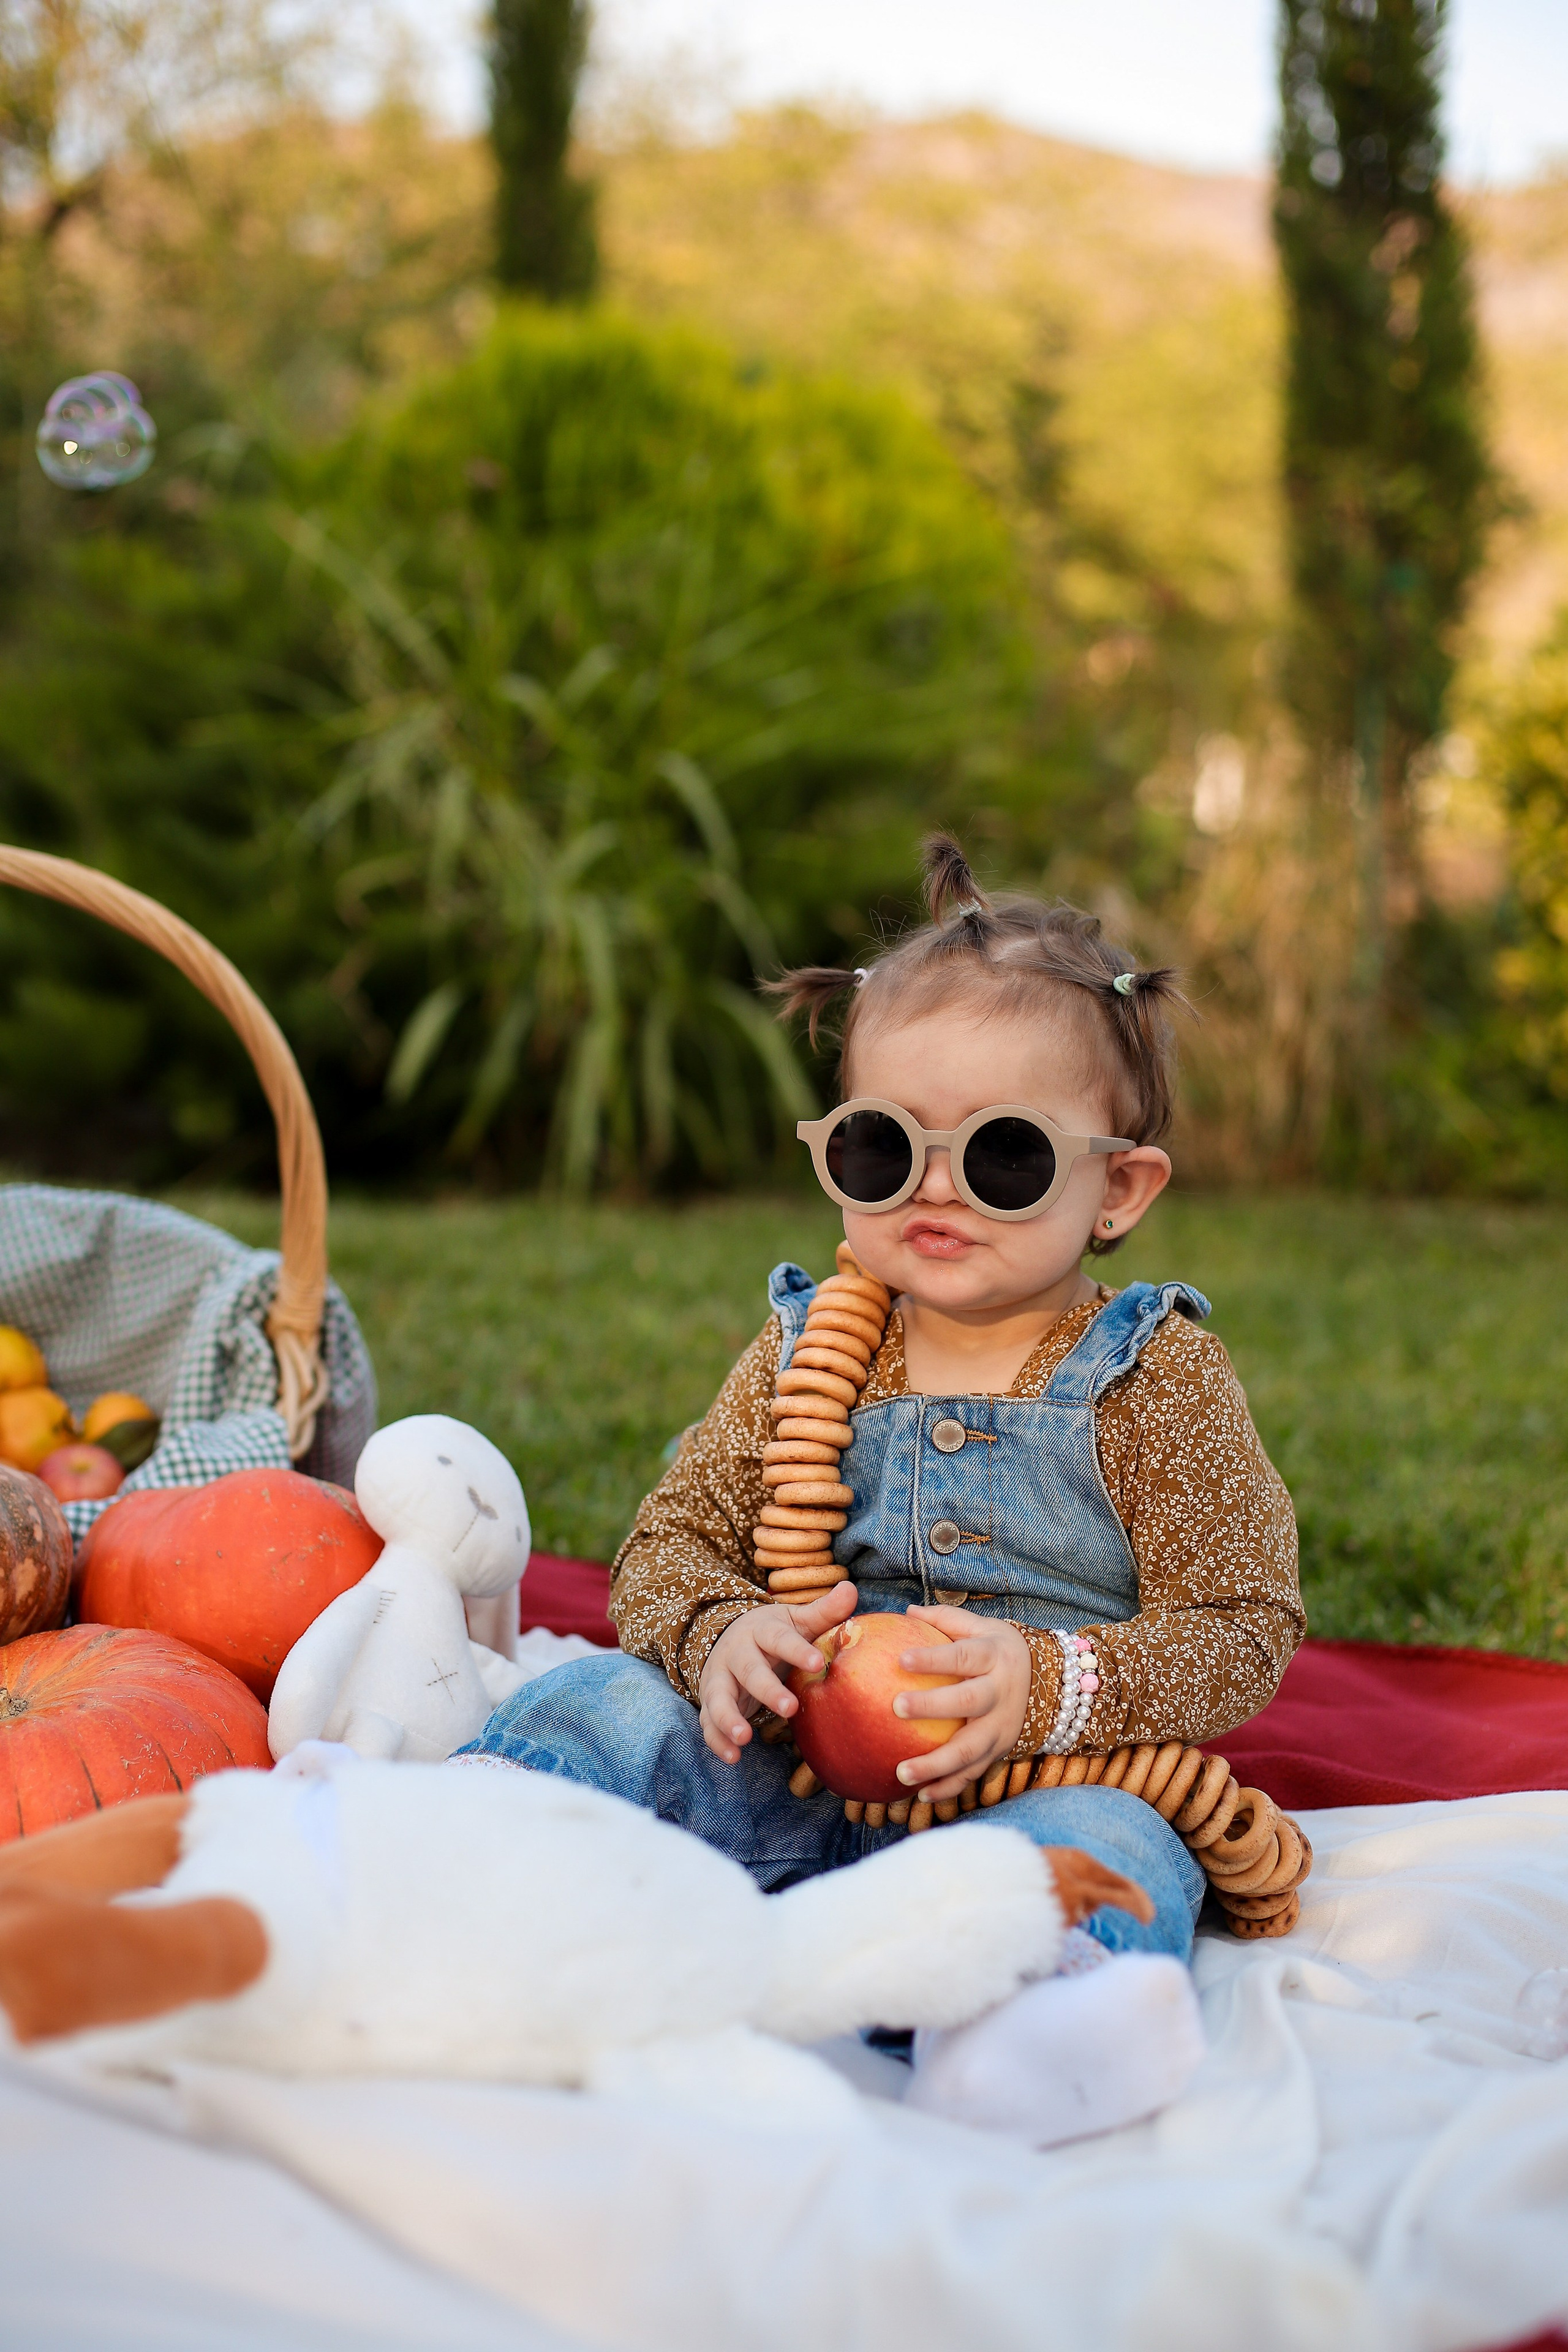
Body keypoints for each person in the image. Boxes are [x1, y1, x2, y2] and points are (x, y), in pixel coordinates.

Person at [464, 835, 1304, 2144]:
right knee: (602, 1703)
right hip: (789, 1775)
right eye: (881, 1148)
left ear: (1118, 1189)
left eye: (1006, 1157)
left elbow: (1243, 1626)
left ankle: (1032, 2025)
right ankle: (465, 1867)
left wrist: (1051, 1685)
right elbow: (672, 1541)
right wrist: (719, 1634)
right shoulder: (804, 1349)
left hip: (1031, 1783)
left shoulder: (1153, 1377)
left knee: (1114, 1850)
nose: (935, 1189)